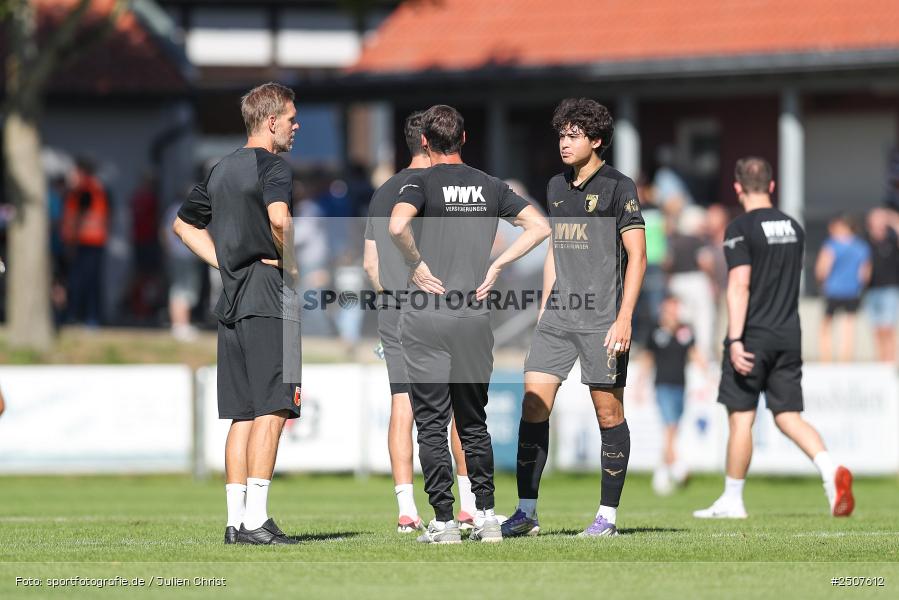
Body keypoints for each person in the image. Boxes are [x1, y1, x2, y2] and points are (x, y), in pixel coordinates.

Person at [389, 104, 550, 544]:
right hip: (474, 317)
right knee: (473, 422)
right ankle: (487, 516)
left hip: (425, 315)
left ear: (424, 142)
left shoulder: (417, 181)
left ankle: (443, 522)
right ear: (464, 139)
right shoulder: (490, 185)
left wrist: (416, 263)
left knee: (431, 423)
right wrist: (498, 264)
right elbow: (538, 227)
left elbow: (398, 225)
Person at [502, 98, 647, 538]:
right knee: (533, 405)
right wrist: (546, 304)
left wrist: (623, 320)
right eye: (561, 135)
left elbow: (637, 258)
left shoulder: (620, 188)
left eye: (574, 135)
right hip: (560, 318)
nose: (564, 143)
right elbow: (556, 250)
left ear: (596, 140)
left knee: (608, 414)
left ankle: (607, 517)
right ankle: (526, 512)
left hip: (604, 319)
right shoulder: (555, 187)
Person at [174, 82, 302, 545]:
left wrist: (224, 261)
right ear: (271, 122)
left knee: (242, 414)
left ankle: (235, 522)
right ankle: (257, 520)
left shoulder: (220, 168)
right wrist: (292, 263)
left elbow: (183, 225)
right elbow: (279, 218)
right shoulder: (274, 166)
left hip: (231, 298)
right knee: (273, 408)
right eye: (290, 118)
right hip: (269, 295)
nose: (295, 125)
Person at [694, 157, 854, 519]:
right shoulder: (795, 227)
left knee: (741, 419)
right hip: (789, 334)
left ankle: (733, 499)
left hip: (752, 336)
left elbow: (740, 284)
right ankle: (831, 472)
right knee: (788, 416)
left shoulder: (740, 228)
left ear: (737, 187)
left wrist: (734, 340)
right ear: (771, 185)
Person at [362, 110, 481, 533]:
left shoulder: (382, 192)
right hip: (442, 309)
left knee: (403, 406)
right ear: (431, 142)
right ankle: (468, 505)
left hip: (395, 314)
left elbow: (370, 263)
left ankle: (406, 509)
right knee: (452, 409)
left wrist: (392, 299)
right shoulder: (437, 189)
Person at [643, 295, 706, 495]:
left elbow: (695, 354)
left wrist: (708, 376)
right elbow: (647, 358)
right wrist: (638, 384)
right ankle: (678, 468)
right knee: (670, 427)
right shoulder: (655, 331)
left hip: (680, 387)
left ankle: (661, 474)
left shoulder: (685, 332)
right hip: (662, 386)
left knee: (672, 430)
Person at [815, 215, 871, 362]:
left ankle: (825, 358)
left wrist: (821, 283)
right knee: (849, 326)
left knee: (826, 325)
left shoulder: (831, 245)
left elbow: (822, 268)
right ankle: (846, 358)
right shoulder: (861, 246)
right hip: (853, 291)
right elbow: (865, 273)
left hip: (833, 290)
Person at [61, 157, 109, 326]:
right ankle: (90, 316)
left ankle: (82, 316)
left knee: (80, 281)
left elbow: (79, 218)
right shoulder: (97, 188)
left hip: (85, 242)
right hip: (93, 242)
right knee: (89, 281)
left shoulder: (84, 190)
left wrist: (71, 243)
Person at [863, 207, 899, 362]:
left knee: (888, 328)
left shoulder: (892, 240)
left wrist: (891, 218)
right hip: (871, 290)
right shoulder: (865, 241)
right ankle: (882, 361)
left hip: (889, 289)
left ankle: (892, 361)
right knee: (877, 329)